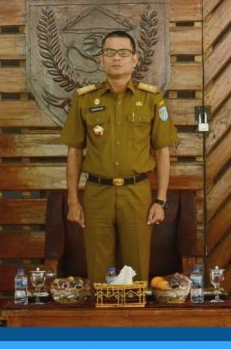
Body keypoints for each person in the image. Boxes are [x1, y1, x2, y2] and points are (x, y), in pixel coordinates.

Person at [60, 31, 178, 284]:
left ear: (134, 60)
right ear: (101, 59)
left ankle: (135, 311)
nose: (116, 58)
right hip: (97, 194)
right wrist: (73, 201)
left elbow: (162, 151)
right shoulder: (84, 99)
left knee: (137, 270)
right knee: (98, 271)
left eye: (123, 53)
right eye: (110, 52)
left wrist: (161, 200)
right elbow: (74, 152)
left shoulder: (151, 98)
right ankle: (101, 311)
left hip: (137, 194)